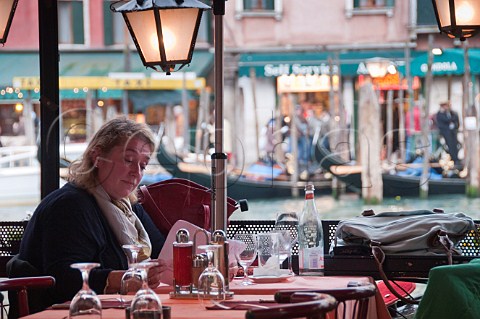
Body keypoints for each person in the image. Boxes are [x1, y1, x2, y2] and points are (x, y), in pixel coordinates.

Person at [9, 117, 167, 313]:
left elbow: (162, 253)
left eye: (143, 165)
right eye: (128, 160)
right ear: (97, 157)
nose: (136, 172)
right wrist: (123, 279)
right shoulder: (70, 205)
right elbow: (65, 280)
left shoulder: (128, 207)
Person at [436, 100, 460, 165]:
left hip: (453, 133)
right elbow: (441, 123)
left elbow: (456, 121)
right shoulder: (440, 114)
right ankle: (453, 159)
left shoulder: (453, 113)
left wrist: (454, 126)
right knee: (448, 147)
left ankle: (456, 159)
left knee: (456, 146)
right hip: (446, 134)